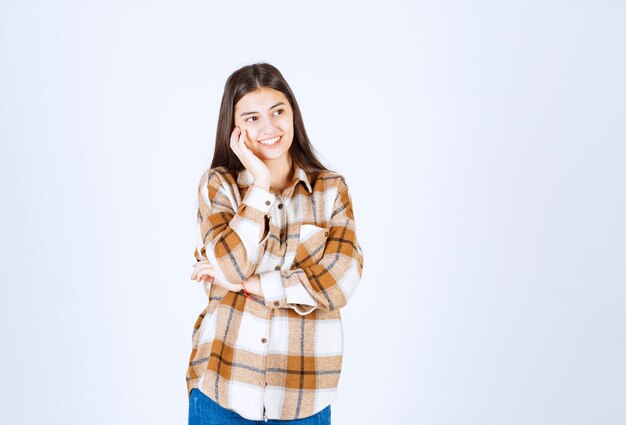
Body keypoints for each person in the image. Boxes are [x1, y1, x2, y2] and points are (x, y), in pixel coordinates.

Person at [187, 62, 364, 424]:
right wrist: (261, 186)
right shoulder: (218, 187)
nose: (269, 127)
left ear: (293, 115)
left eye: (278, 111)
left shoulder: (331, 191)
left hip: (303, 395)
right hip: (223, 387)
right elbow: (228, 265)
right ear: (234, 128)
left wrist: (248, 285)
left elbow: (340, 283)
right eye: (251, 118)